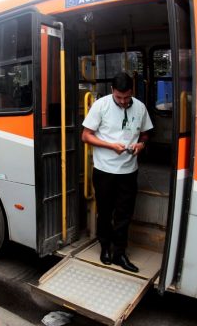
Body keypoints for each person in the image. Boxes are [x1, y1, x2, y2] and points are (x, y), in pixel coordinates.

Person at [81, 72, 153, 273]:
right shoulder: (101, 106)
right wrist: (110, 145)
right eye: (119, 97)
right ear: (112, 91)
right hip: (104, 170)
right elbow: (86, 136)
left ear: (132, 92)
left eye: (126, 97)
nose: (123, 102)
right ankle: (104, 247)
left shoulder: (139, 107)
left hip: (129, 171)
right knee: (105, 211)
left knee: (124, 214)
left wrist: (141, 145)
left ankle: (119, 253)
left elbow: (146, 134)